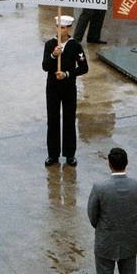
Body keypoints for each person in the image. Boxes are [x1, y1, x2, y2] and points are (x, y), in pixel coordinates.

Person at [43, 15, 88, 167]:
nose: (61, 30)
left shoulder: (75, 45)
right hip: (53, 88)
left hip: (69, 87)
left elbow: (84, 67)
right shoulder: (50, 44)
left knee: (69, 120)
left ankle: (70, 154)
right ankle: (53, 154)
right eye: (59, 27)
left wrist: (68, 74)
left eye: (64, 28)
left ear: (69, 29)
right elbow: (45, 66)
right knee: (53, 120)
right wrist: (53, 55)